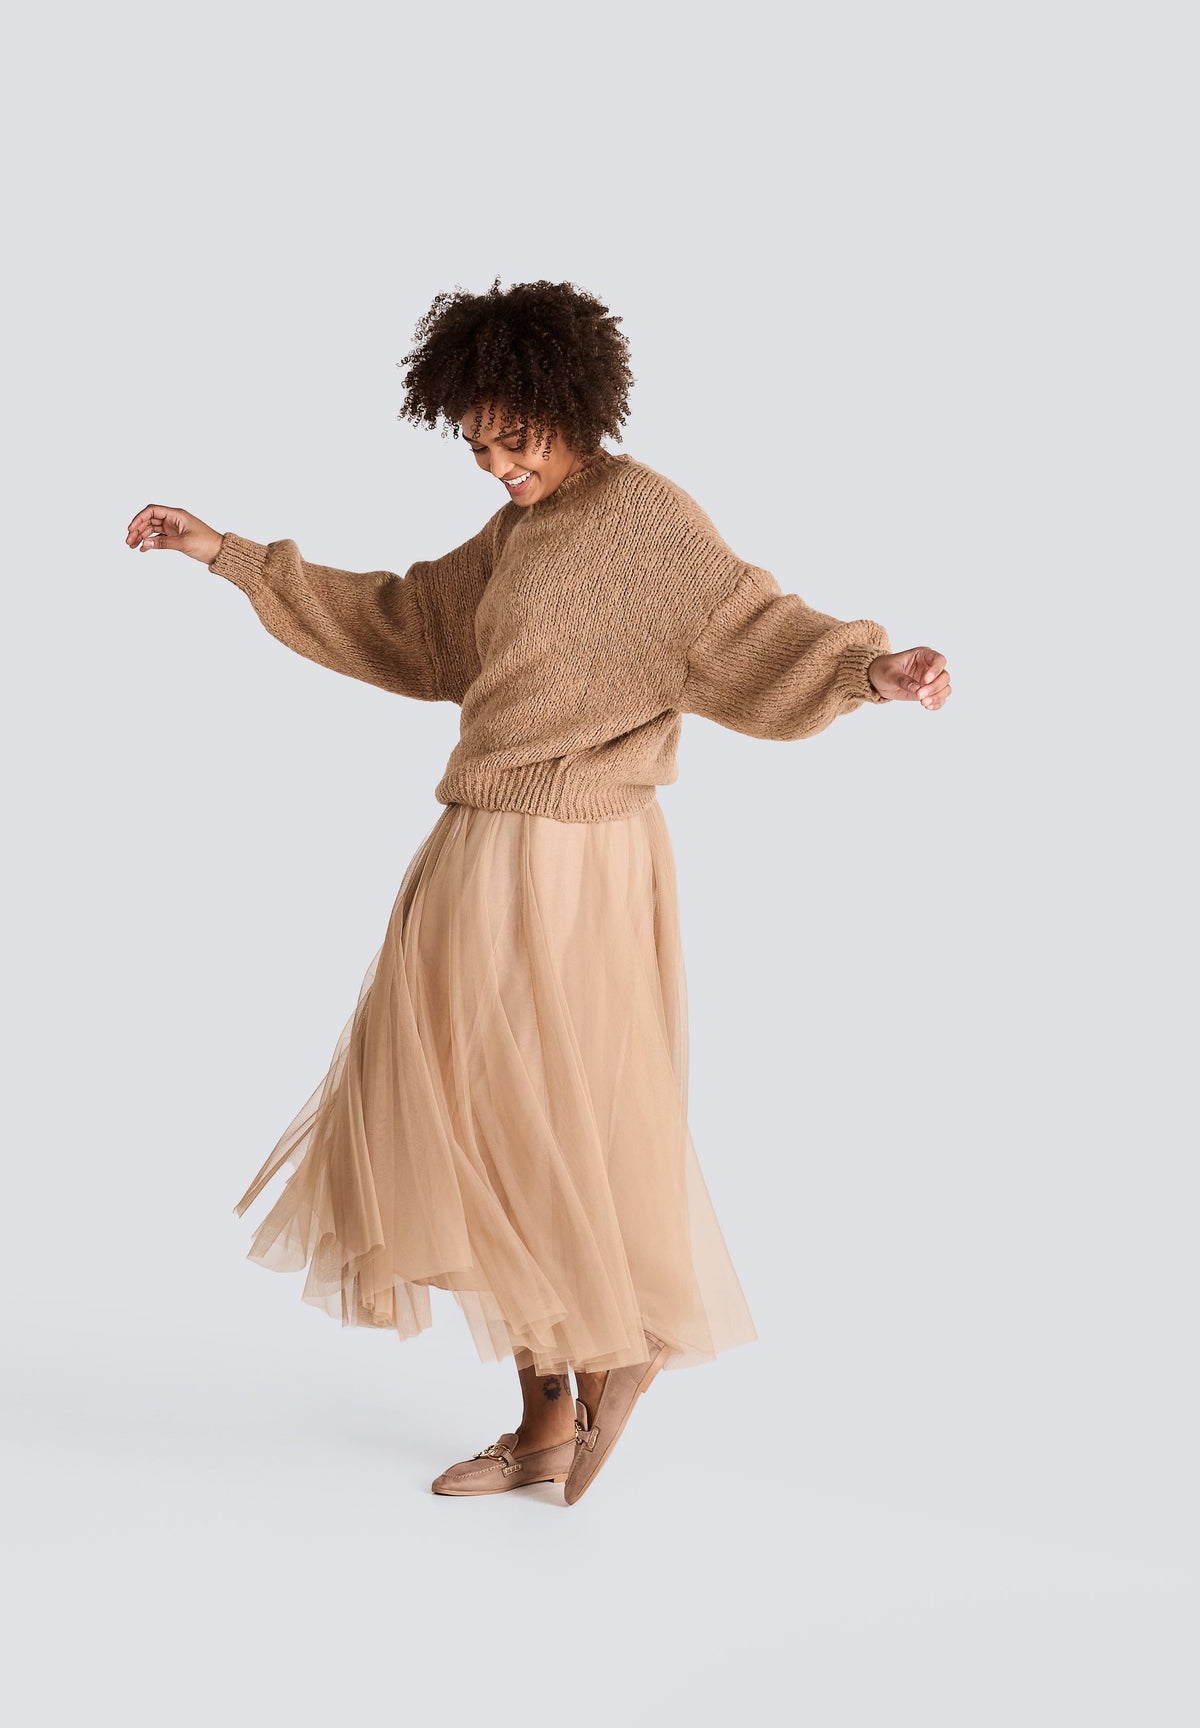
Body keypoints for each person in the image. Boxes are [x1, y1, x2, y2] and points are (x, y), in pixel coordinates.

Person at [125, 276, 951, 1505]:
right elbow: (408, 623)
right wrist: (225, 555)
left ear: (575, 407)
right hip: (487, 844)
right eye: (476, 444)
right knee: (485, 1127)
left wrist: (869, 672)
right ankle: (547, 1414)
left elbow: (755, 632)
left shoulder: (648, 522)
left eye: (516, 438)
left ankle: (618, 1344)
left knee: (532, 1123)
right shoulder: (516, 534)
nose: (498, 465)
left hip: (565, 859)